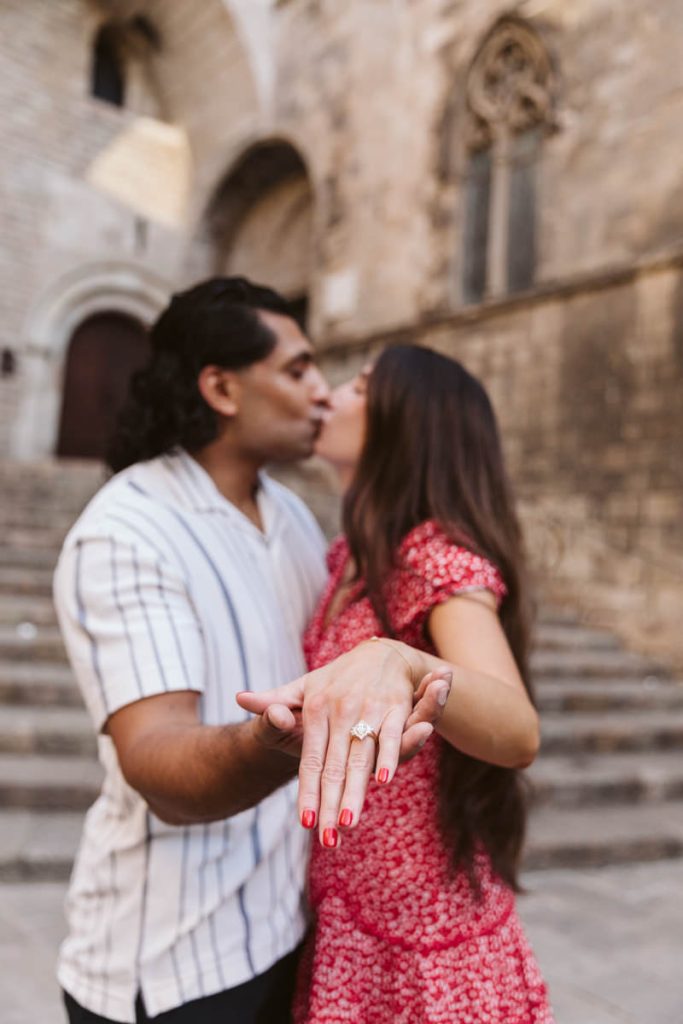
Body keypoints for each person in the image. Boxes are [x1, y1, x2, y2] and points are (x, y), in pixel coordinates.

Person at [53, 279, 450, 1024]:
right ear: (222, 388)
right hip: (173, 967)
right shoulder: (129, 529)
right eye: (298, 370)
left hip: (285, 934)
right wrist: (281, 741)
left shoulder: (294, 517)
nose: (321, 395)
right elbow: (158, 763)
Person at [242, 346, 552, 1023]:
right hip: (347, 913)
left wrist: (406, 663)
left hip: (422, 942)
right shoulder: (349, 555)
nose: (330, 395)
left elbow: (516, 728)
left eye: (358, 387)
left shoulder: (433, 556)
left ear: (404, 422)